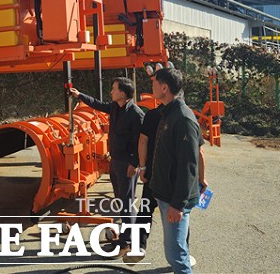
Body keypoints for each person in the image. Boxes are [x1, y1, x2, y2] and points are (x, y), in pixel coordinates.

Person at [69, 77, 144, 258]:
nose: (111, 91)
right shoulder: (114, 108)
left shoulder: (136, 114)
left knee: (126, 203)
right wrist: (79, 95)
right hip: (115, 161)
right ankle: (129, 237)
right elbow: (97, 104)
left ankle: (126, 243)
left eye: (113, 89)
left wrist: (135, 164)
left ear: (123, 93)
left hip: (127, 164)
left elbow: (140, 142)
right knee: (121, 200)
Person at [135, 96, 208, 267]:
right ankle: (184, 253)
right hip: (176, 177)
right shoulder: (185, 116)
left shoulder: (152, 115)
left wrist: (143, 167)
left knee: (145, 208)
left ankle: (139, 246)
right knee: (181, 218)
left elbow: (143, 141)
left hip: (154, 173)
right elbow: (199, 152)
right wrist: (201, 178)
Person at [146, 68, 201, 274]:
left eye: (154, 84)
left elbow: (188, 166)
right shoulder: (168, 113)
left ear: (164, 87)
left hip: (174, 199)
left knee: (176, 255)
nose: (151, 87)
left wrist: (178, 205)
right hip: (166, 195)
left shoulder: (183, 119)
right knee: (175, 251)